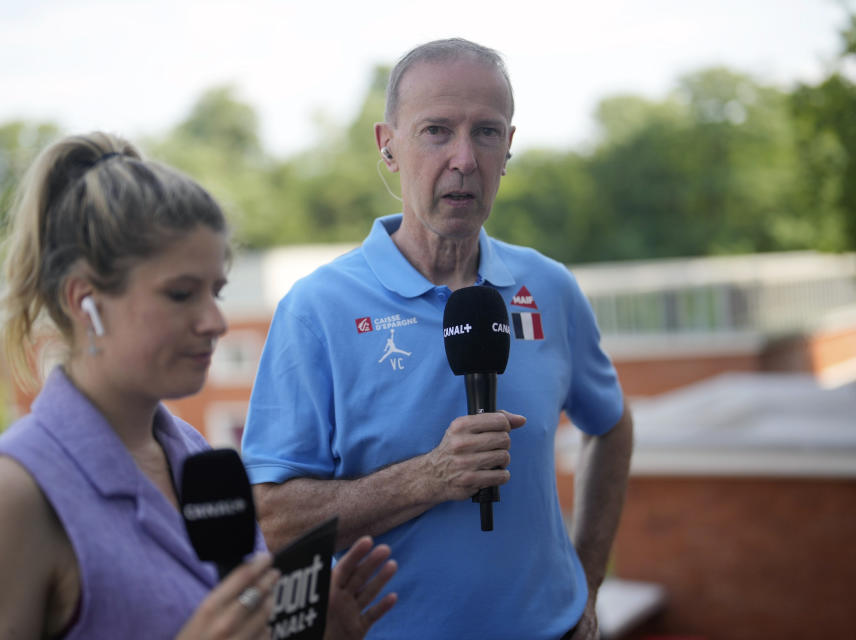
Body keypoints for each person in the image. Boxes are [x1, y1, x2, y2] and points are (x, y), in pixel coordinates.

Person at [0, 132, 397, 640]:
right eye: (180, 294)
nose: (215, 321)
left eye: (216, 292)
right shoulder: (7, 494)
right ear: (86, 301)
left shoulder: (196, 460)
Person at [241, 38, 633, 640]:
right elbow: (276, 522)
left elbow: (610, 423)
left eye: (486, 132)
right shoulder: (316, 309)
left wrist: (589, 576)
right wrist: (429, 477)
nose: (463, 159)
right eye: (435, 130)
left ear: (508, 149)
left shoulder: (549, 288)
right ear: (388, 145)